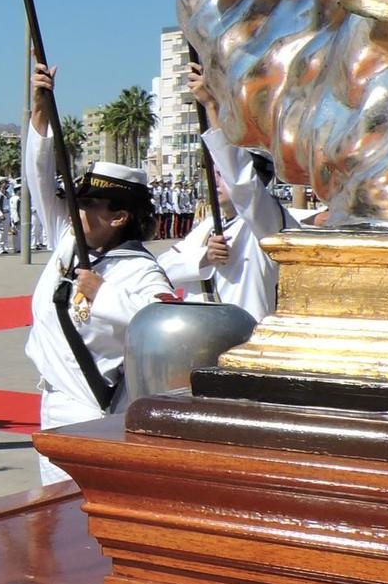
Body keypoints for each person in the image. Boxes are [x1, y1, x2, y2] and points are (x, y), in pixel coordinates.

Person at [24, 63, 174, 484]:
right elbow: (38, 178)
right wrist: (40, 112)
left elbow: (162, 324)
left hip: (95, 408)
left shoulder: (141, 270)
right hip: (52, 403)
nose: (77, 211)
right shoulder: (69, 240)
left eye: (89, 206)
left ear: (120, 216)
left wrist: (103, 295)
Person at [161, 66, 286, 321]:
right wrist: (203, 257)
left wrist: (211, 107)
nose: (216, 181)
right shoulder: (205, 228)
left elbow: (240, 180)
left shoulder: (264, 222)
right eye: (215, 173)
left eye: (222, 174)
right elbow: (162, 268)